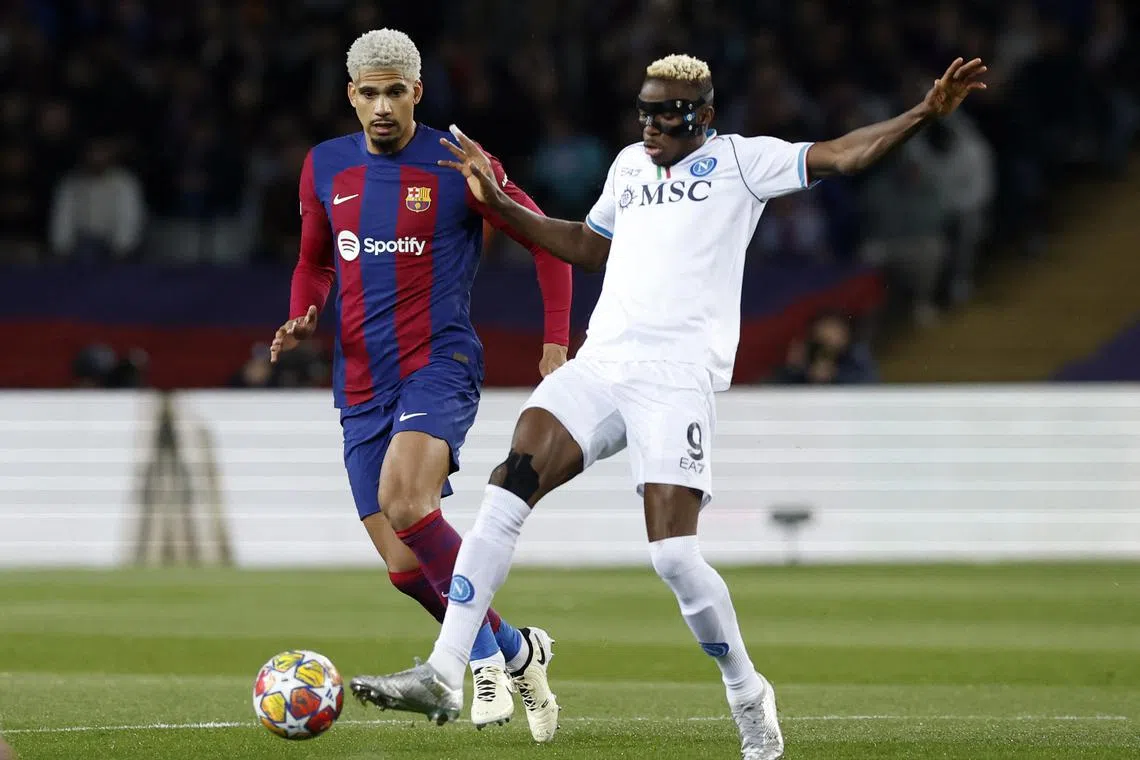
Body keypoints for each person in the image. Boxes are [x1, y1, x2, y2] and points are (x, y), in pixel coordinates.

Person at [348, 53, 986, 759]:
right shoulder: (628, 166)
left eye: (668, 113)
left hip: (677, 377)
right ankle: (445, 671)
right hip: (604, 363)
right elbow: (589, 247)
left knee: (674, 557)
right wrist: (500, 206)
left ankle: (748, 692)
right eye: (645, 111)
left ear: (704, 117)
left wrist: (925, 113)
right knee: (508, 486)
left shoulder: (744, 163)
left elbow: (842, 155)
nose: (652, 125)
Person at [270, 28, 571, 740]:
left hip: (440, 363)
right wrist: (301, 311)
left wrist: (557, 341)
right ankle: (513, 648)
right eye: (368, 92)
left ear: (417, 93)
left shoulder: (460, 161)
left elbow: (549, 243)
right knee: (406, 566)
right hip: (359, 380)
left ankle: (461, 668)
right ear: (351, 94)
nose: (381, 106)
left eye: (394, 92)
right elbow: (314, 261)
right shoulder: (324, 167)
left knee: (404, 498)